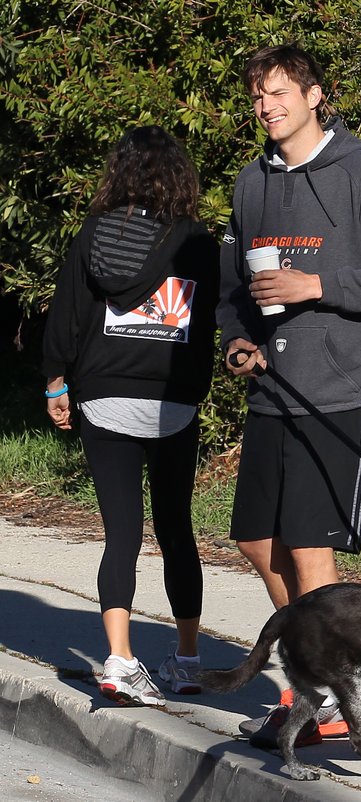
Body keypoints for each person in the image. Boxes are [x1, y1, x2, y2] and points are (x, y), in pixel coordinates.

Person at [216, 44, 361, 746]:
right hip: (273, 385)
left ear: (314, 95)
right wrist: (236, 341)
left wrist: (317, 287)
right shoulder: (252, 182)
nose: (267, 106)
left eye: (279, 92)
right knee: (255, 539)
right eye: (257, 96)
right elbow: (232, 290)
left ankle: (325, 697)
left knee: (309, 550)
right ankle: (326, 670)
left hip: (343, 387)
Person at [42, 125, 219, 707]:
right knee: (176, 530)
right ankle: (188, 660)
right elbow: (210, 324)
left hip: (105, 397)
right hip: (173, 401)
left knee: (121, 533)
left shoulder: (95, 234)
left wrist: (55, 382)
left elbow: (68, 312)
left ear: (118, 174)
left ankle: (118, 660)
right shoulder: (197, 243)